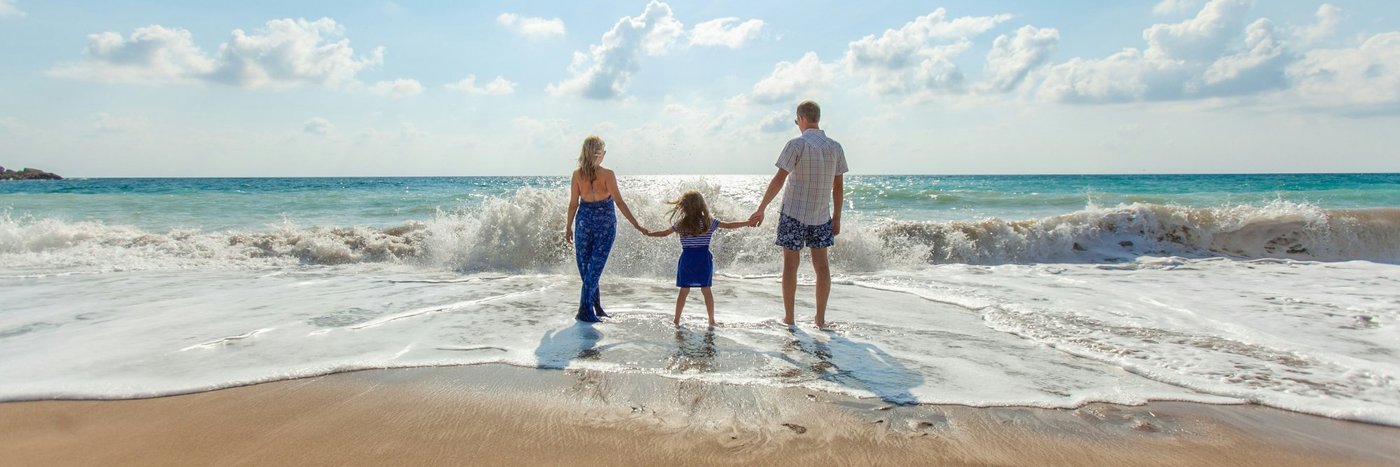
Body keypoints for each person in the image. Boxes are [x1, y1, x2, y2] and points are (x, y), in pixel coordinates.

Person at [748, 100, 848, 328]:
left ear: (801, 119)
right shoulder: (835, 147)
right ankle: (820, 320)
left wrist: (761, 208)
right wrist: (838, 217)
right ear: (817, 118)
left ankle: (790, 318)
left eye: (796, 121)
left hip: (793, 214)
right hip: (822, 216)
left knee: (790, 267)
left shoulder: (796, 145)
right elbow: (838, 188)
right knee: (822, 267)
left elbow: (779, 180)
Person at [565, 135, 646, 322]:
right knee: (592, 269)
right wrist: (636, 224)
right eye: (602, 152)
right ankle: (585, 310)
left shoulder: (577, 174)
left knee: (588, 268)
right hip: (604, 224)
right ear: (600, 154)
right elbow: (619, 201)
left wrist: (568, 227)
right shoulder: (607, 174)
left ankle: (596, 307)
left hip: (584, 222)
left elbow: (573, 204)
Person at [644, 190, 752, 327]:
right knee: (706, 290)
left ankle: (676, 320)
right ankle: (711, 320)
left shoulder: (681, 224)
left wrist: (649, 234)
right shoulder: (709, 222)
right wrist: (747, 223)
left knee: (684, 290)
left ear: (684, 206)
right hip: (703, 260)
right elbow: (729, 225)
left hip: (687, 260)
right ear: (702, 205)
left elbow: (665, 233)